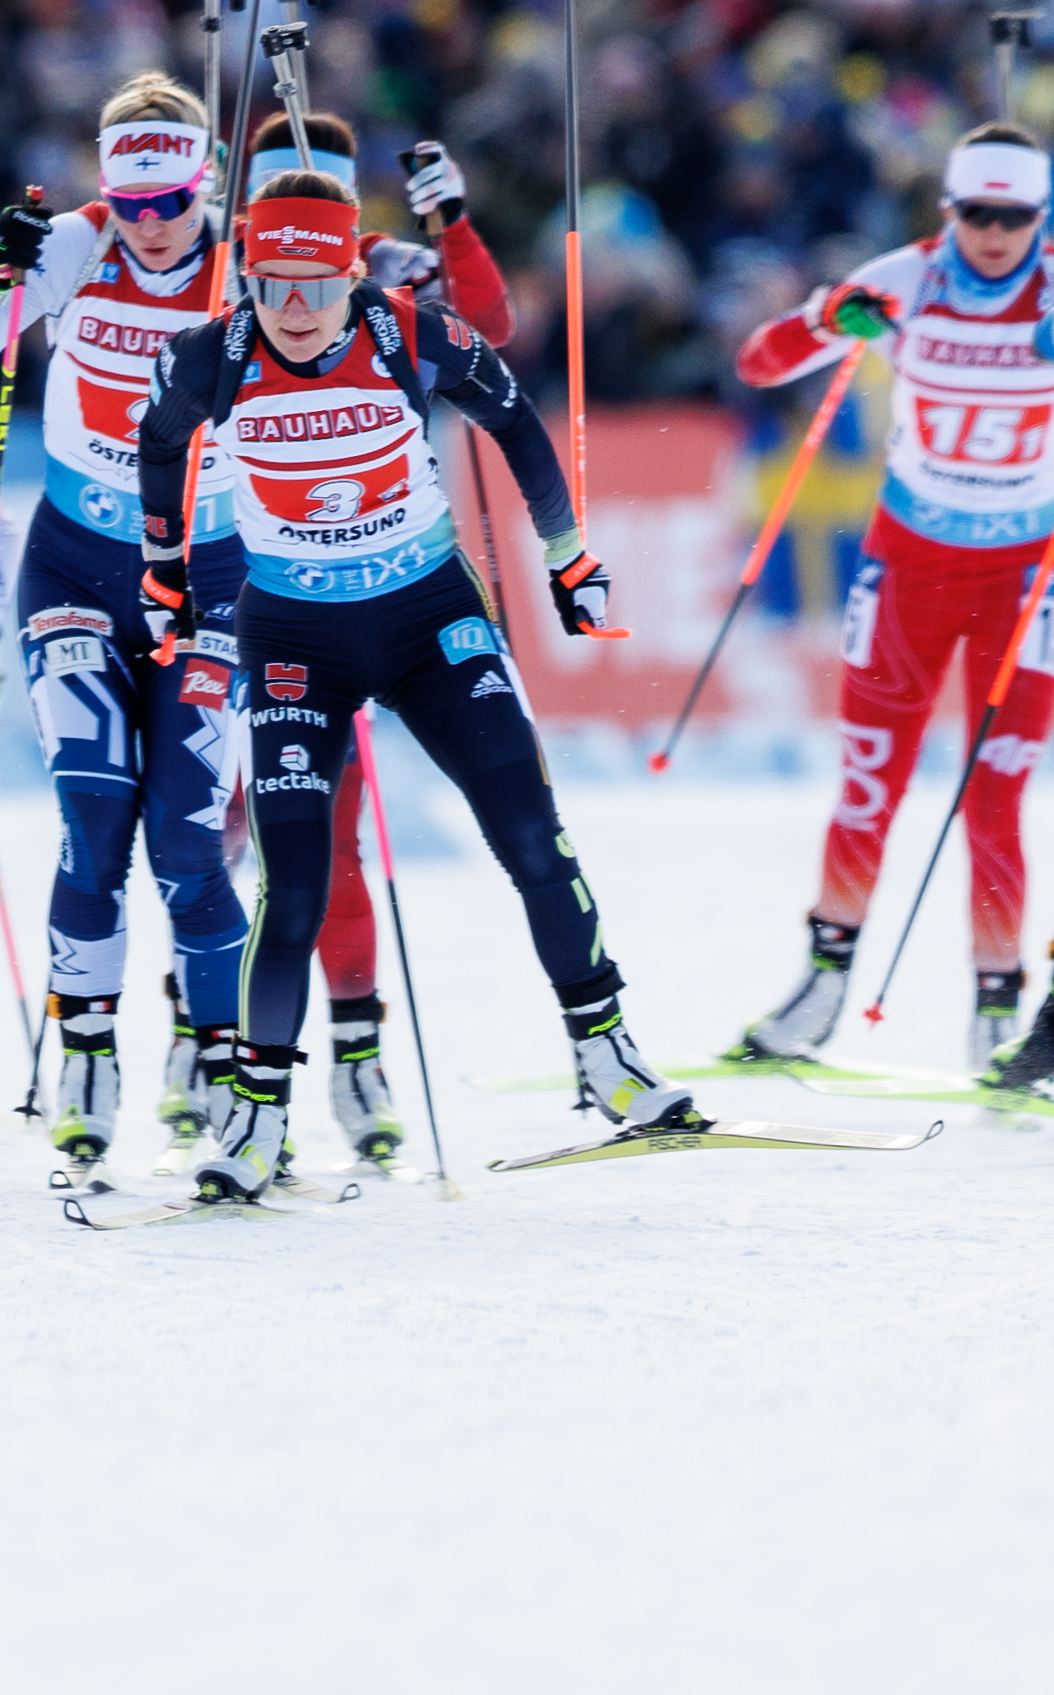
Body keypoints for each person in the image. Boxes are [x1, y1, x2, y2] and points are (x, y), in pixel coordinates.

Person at [135, 172, 677, 1202]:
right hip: (293, 636)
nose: (290, 309)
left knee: (529, 834)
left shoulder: (409, 334)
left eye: (313, 284)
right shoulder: (210, 356)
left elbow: (516, 424)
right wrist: (162, 565)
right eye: (267, 284)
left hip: (430, 619)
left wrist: (564, 555)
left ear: (351, 271)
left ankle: (606, 1058)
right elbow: (157, 444)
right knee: (290, 886)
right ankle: (250, 1119)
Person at [728, 122, 1054, 1069]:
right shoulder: (905, 279)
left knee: (996, 796)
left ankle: (1000, 1011)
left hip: (1025, 581)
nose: (996, 234)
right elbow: (758, 361)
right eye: (978, 215)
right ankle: (821, 990)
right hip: (910, 566)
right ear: (948, 211)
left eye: (1017, 217)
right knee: (871, 782)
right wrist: (831, 322)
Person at [237, 103, 515, 1156]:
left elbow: (487, 327)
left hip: (364, 581)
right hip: (244, 582)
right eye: (269, 188)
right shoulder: (227, 279)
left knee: (326, 842)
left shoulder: (381, 271)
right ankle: (209, 1055)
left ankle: (354, 1056)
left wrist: (451, 224)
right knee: (220, 833)